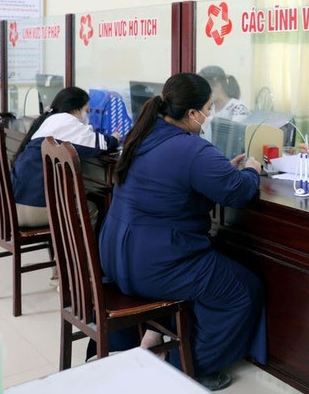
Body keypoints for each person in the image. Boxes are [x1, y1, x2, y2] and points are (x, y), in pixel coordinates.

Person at [98, 72, 265, 391]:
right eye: (207, 109)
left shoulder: (141, 134)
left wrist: (218, 172)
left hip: (116, 258)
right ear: (192, 113)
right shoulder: (191, 149)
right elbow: (240, 192)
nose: (208, 116)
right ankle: (184, 367)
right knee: (243, 290)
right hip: (156, 264)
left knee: (217, 268)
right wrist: (252, 171)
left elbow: (172, 182)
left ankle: (160, 342)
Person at [11, 86, 119, 228]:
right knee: (91, 209)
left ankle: (63, 250)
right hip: (33, 210)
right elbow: (100, 144)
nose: (87, 115)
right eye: (86, 111)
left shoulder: (48, 122)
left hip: (13, 206)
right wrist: (115, 138)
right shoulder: (67, 123)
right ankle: (82, 250)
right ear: (75, 110)